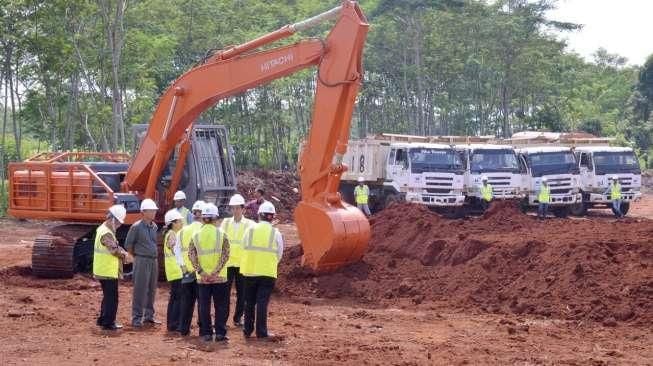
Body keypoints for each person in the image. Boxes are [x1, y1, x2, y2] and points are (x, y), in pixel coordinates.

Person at [240, 201, 284, 341]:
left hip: (250, 271)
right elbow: (279, 253)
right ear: (272, 217)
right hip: (267, 273)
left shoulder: (250, 230)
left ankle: (247, 330)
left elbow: (243, 246)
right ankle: (261, 332)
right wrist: (270, 263)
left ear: (259, 215)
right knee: (262, 303)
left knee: (249, 302)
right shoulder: (275, 233)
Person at [189, 203, 231, 342]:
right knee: (221, 306)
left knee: (203, 305)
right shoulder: (222, 234)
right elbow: (226, 254)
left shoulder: (195, 235)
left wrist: (202, 272)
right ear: (215, 218)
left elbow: (191, 255)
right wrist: (215, 272)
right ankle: (220, 332)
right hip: (220, 278)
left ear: (203, 218)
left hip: (202, 279)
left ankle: (206, 333)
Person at [220, 193, 255, 327]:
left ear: (243, 209)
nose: (235, 211)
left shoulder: (249, 224)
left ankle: (238, 317)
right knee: (224, 293)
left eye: (237, 208)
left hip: (242, 264)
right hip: (228, 263)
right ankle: (223, 319)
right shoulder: (226, 222)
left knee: (242, 294)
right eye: (233, 208)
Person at [125, 198, 160, 328]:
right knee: (140, 289)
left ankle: (149, 316)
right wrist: (136, 258)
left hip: (153, 260)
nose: (154, 213)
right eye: (151, 210)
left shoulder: (154, 226)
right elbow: (129, 244)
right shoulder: (136, 227)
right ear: (144, 212)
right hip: (141, 260)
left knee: (151, 289)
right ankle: (136, 317)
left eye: (154, 210)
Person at [94, 204, 130, 331]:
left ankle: (103, 319)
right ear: (112, 219)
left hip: (103, 269)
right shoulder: (106, 233)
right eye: (119, 222)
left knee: (107, 296)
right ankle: (108, 322)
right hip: (107, 270)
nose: (120, 225)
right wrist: (125, 255)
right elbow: (114, 250)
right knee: (112, 298)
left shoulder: (104, 229)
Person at [176, 200, 205, 336]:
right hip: (201, 273)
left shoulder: (182, 231)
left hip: (187, 272)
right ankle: (203, 329)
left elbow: (177, 251)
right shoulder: (204, 231)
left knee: (186, 302)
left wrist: (183, 267)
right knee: (202, 303)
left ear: (193, 214)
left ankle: (184, 328)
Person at [163, 209, 184, 332]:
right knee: (178, 298)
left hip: (172, 271)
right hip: (176, 270)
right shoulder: (172, 234)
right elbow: (173, 248)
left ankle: (171, 323)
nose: (181, 223)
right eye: (180, 221)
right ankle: (175, 324)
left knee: (174, 297)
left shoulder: (169, 233)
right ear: (173, 223)